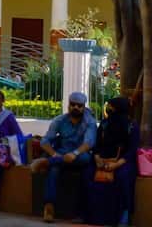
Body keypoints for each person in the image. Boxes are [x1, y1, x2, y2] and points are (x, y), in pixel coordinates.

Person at [31, 91, 98, 223]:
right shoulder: (60, 120)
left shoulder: (89, 122)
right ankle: (49, 208)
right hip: (61, 154)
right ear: (68, 105)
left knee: (86, 160)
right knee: (54, 169)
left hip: (80, 156)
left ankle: (47, 162)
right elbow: (45, 141)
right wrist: (55, 154)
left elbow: (89, 143)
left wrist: (74, 154)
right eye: (73, 104)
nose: (76, 107)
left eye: (79, 105)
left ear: (84, 107)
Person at [82, 97, 137, 226]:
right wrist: (97, 158)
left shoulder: (132, 126)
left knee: (122, 177)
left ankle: (124, 215)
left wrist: (116, 164)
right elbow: (97, 145)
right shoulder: (105, 124)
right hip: (102, 159)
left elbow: (132, 150)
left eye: (111, 107)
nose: (109, 109)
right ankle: (90, 216)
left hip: (123, 161)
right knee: (88, 174)